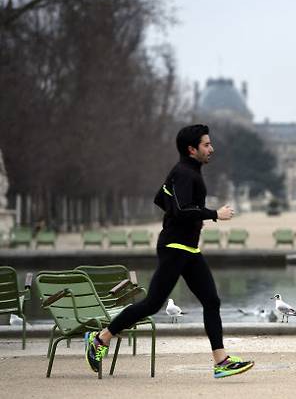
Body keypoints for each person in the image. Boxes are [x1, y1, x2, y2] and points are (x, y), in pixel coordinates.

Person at [84, 124, 254, 379]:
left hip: (188, 249)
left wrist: (190, 218)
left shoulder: (186, 171)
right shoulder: (185, 173)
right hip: (175, 248)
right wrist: (213, 214)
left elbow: (161, 199)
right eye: (206, 145)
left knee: (211, 300)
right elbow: (182, 209)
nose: (211, 149)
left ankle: (221, 361)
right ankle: (100, 339)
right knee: (152, 304)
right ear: (191, 149)